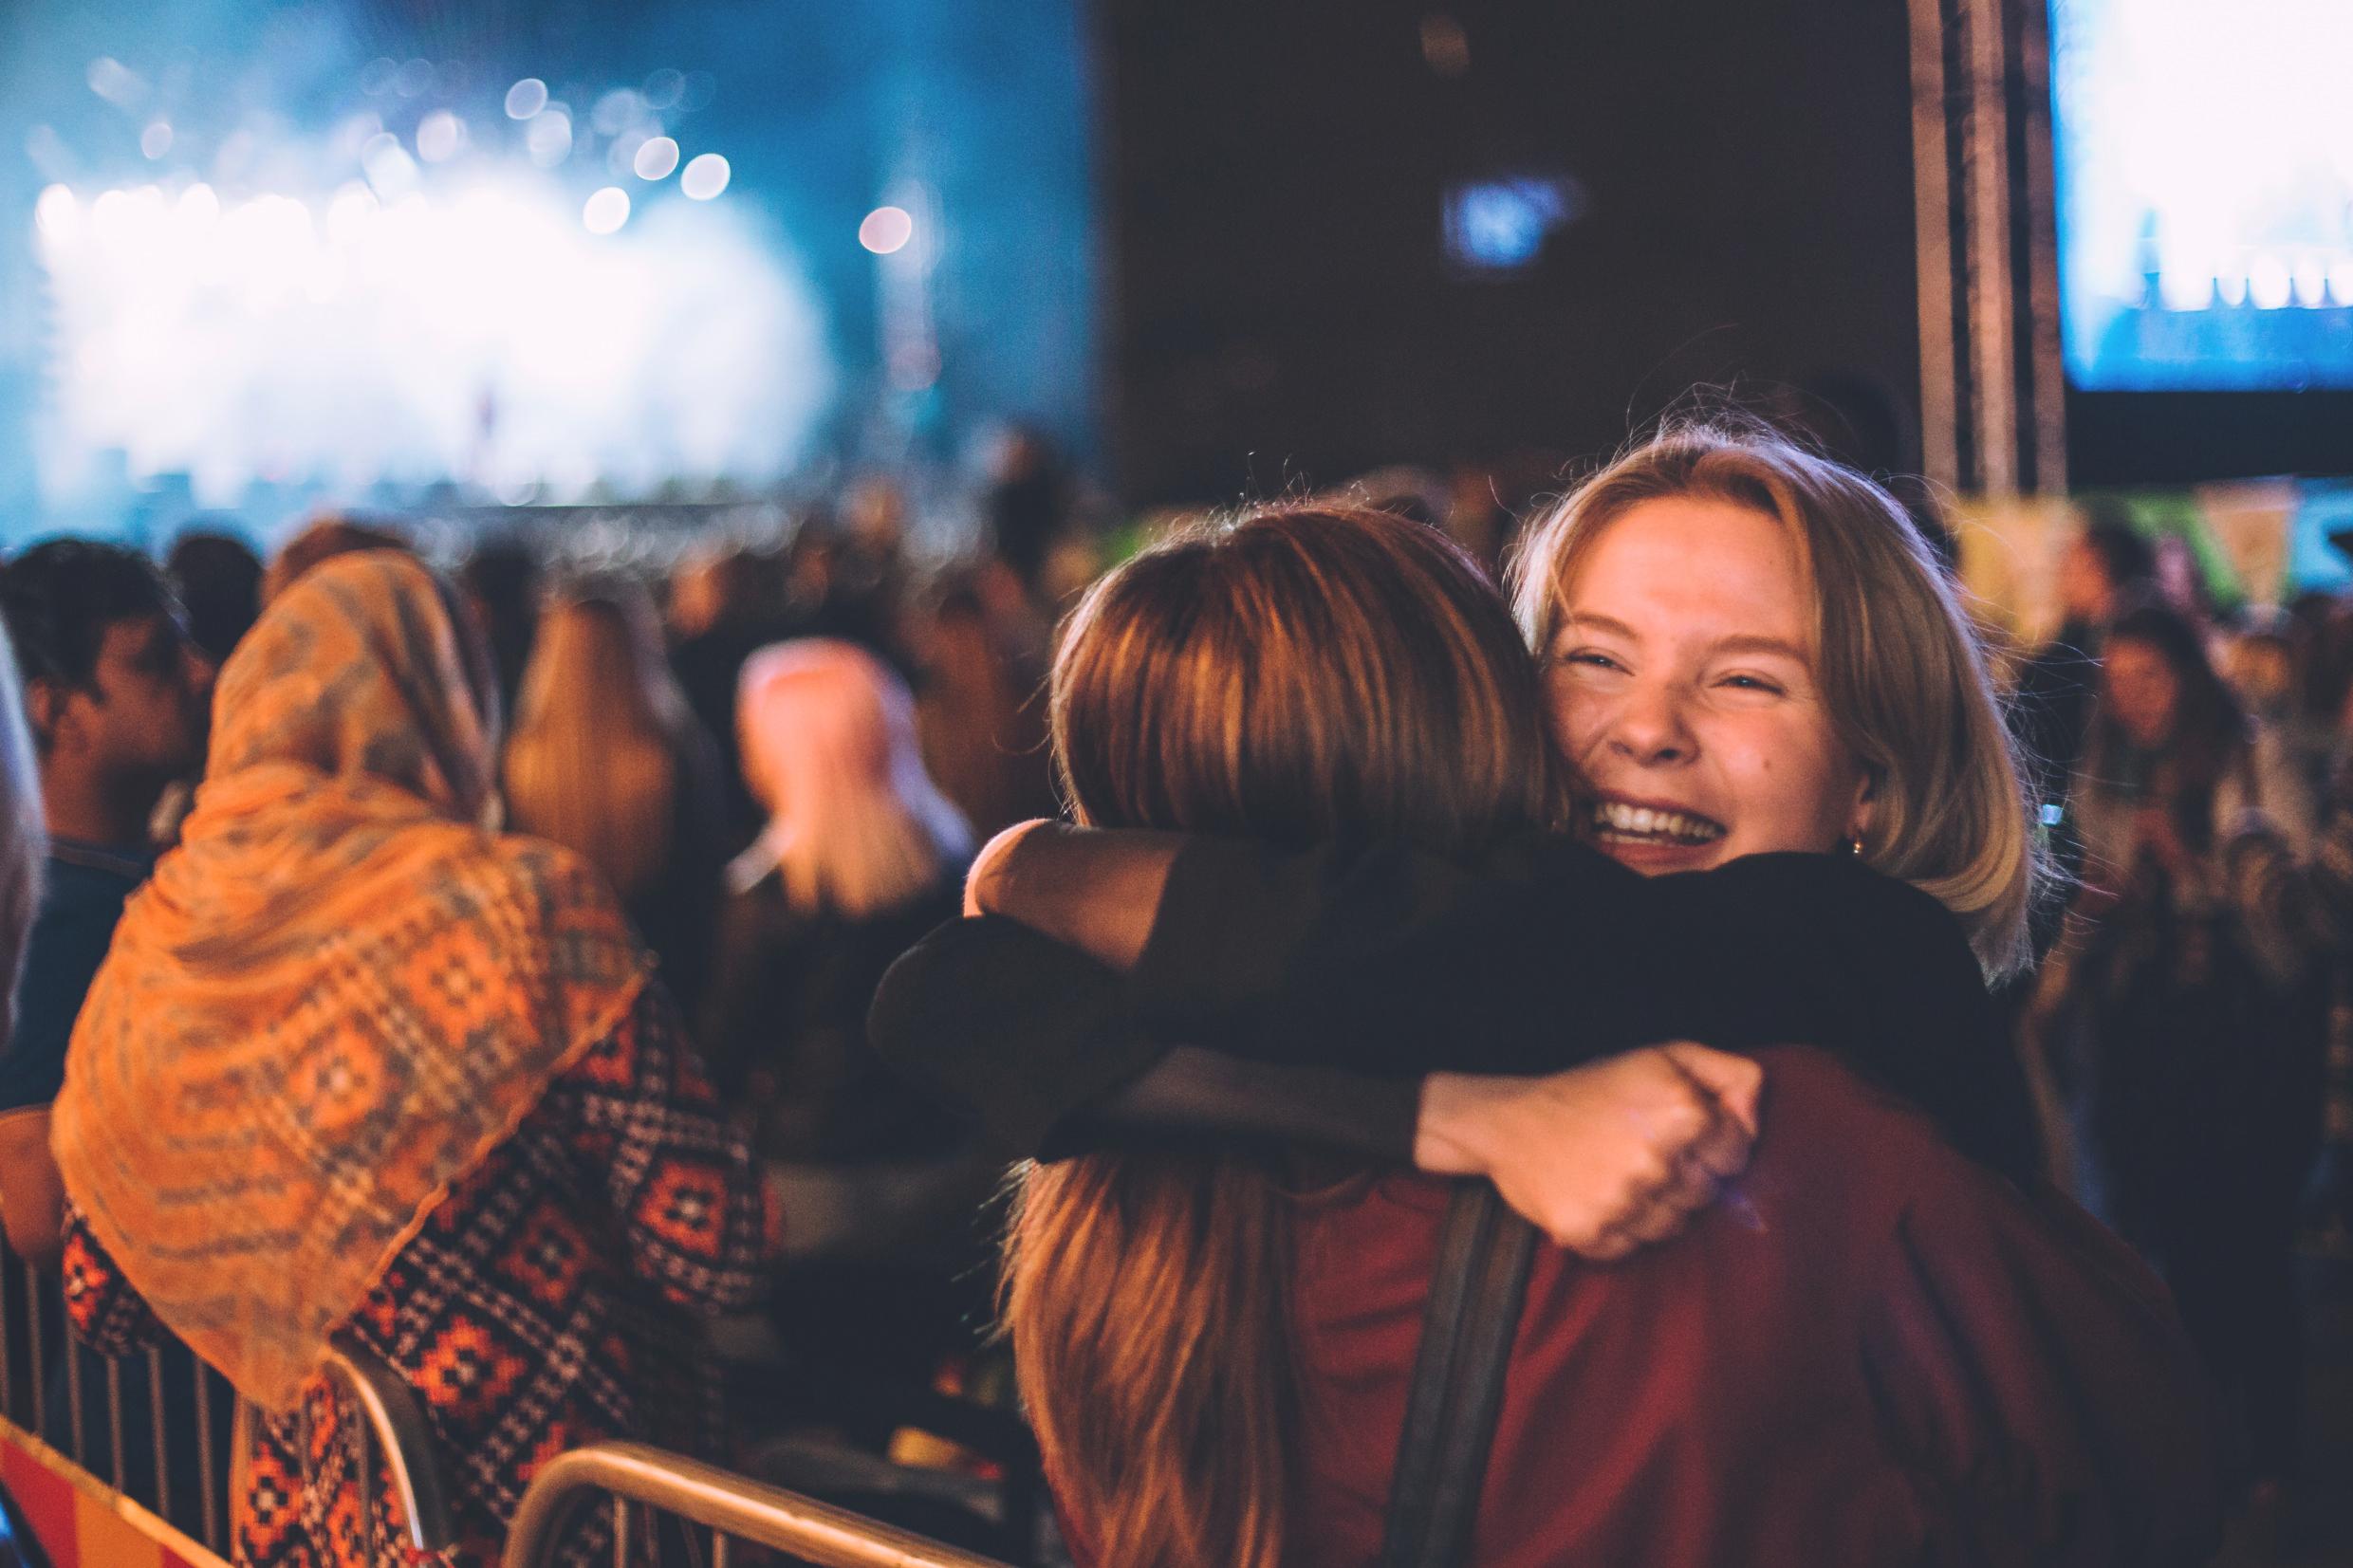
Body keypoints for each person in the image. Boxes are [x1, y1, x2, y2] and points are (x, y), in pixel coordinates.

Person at [877, 434, 2218, 1564]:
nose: (1650, 727)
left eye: (1747, 676)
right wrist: (1463, 1118)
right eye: (1592, 659)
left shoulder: (1840, 964)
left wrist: (1018, 864)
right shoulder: (1766, 1130)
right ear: (1499, 702)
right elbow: (2149, 1476)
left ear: (1877, 775)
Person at [50, 551, 764, 1568]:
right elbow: (717, 1245)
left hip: (316, 1523)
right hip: (573, 1517)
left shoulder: (162, 950)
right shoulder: (522, 909)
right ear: (441, 700)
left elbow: (101, 1299)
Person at [2041, 601, 2326, 1512]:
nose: (2133, 702)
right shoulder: (2110, 768)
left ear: (2188, 673)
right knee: (2162, 1237)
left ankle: (2273, 1453)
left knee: (2246, 1242)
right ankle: (2204, 1438)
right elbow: (2093, 879)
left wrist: (2194, 861)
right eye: (2117, 684)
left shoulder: (2248, 752)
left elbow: (2296, 911)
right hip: (2147, 1032)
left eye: (2150, 679)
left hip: (2241, 1036)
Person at [698, 639, 985, 1408]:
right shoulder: (962, 871)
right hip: (948, 1181)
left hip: (809, 1195)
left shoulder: (762, 902)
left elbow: (717, 1059)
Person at [0, 541, 213, 1267]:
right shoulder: (55, 915)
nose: (200, 672)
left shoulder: (125, 877)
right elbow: (35, 1203)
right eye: (154, 660)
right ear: (58, 710)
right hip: (115, 1371)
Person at [504, 584, 727, 1006]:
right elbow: (704, 884)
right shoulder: (681, 755)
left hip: (558, 984)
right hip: (664, 980)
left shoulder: (516, 765)